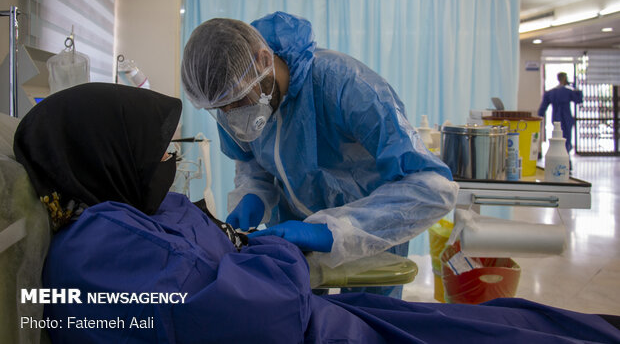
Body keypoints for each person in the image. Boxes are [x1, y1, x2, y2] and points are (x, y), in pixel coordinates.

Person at [12, 83, 620, 343]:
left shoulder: (120, 214)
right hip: (314, 327)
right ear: (99, 152)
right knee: (502, 334)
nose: (168, 160)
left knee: (510, 319)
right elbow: (259, 315)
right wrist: (282, 246)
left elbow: (429, 188)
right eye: (154, 149)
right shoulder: (104, 246)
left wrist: (253, 239)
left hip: (321, 316)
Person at [181, 11, 459, 298]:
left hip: (371, 238)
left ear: (263, 60)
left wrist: (333, 231)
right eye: (220, 108)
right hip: (296, 250)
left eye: (237, 100)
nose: (231, 114)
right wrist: (253, 195)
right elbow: (253, 165)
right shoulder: (234, 109)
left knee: (368, 326)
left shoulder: (346, 86)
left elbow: (432, 188)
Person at [538, 72, 583, 153]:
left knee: (557, 138)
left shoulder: (551, 93)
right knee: (567, 139)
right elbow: (579, 100)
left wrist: (539, 118)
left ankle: (559, 154)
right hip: (566, 118)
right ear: (565, 78)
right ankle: (566, 156)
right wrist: (576, 89)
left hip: (556, 118)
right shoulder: (568, 92)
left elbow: (543, 108)